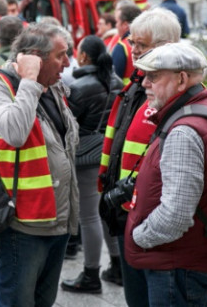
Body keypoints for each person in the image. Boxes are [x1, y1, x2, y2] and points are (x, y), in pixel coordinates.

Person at [125, 43, 207, 305]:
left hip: (178, 264)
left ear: (181, 79)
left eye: (154, 76)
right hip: (192, 259)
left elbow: (176, 215)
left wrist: (137, 237)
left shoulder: (184, 131)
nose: (145, 83)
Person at [0, 23, 79, 307]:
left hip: (56, 218)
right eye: (61, 55)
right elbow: (14, 132)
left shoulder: (53, 88)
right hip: (23, 223)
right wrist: (30, 81)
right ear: (35, 56)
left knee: (43, 301)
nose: (67, 63)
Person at [98, 7, 181, 303]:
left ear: (163, 47)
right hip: (126, 214)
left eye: (140, 45)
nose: (132, 50)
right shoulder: (136, 87)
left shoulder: (174, 93)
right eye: (132, 43)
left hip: (150, 220)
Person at [61, 35, 123, 294]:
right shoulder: (117, 82)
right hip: (110, 153)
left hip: (85, 155)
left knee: (89, 217)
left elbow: (67, 123)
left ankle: (90, 275)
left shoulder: (80, 86)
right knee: (107, 211)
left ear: (84, 56)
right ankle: (118, 267)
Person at [111, 2, 143, 85]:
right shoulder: (148, 42)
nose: (116, 25)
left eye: (117, 22)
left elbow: (113, 81)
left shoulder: (122, 47)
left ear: (125, 25)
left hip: (126, 94)